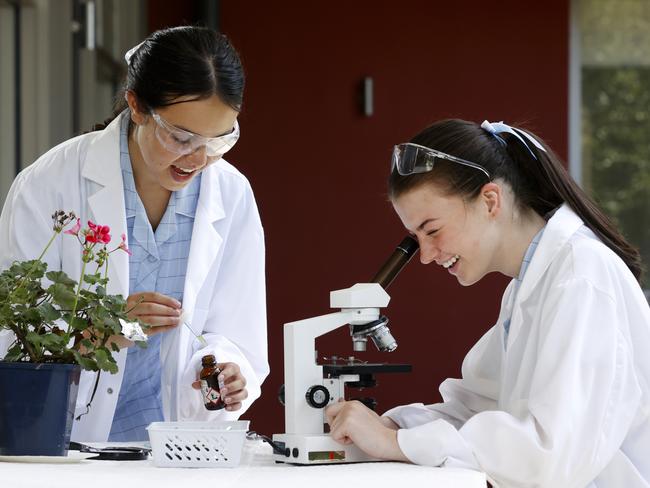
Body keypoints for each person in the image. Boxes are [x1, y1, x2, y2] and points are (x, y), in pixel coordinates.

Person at [325, 119, 650, 487]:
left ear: (490, 200)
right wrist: (392, 426)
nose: (428, 255)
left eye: (432, 230)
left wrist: (397, 442)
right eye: (416, 238)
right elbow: (479, 406)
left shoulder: (581, 276)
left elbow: (551, 454)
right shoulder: (530, 285)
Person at [0, 26, 268, 442]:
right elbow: (12, 333)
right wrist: (98, 332)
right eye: (181, 138)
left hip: (182, 444)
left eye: (218, 142)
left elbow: (238, 328)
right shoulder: (50, 182)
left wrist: (229, 368)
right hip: (68, 438)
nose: (197, 159)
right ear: (137, 106)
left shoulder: (230, 193)